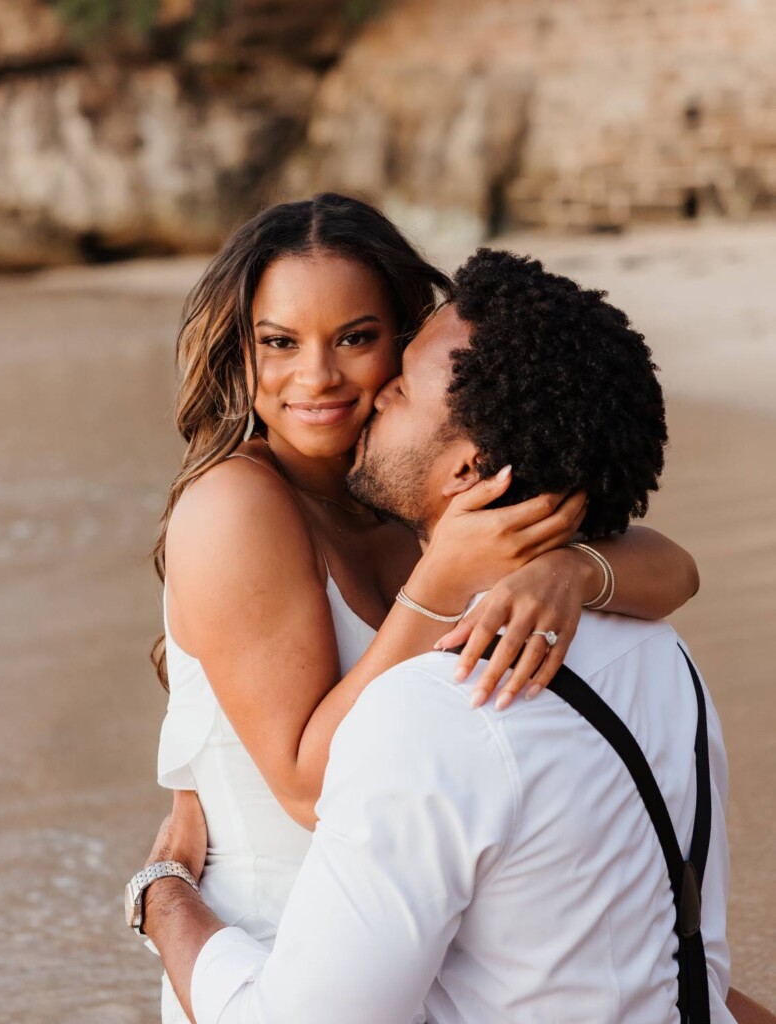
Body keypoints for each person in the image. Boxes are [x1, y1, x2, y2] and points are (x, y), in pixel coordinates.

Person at [138, 249, 735, 1022]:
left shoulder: (430, 663)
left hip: (342, 964)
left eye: (364, 344)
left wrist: (158, 897)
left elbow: (673, 568)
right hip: (271, 953)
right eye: (278, 341)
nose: (329, 379)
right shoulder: (662, 656)